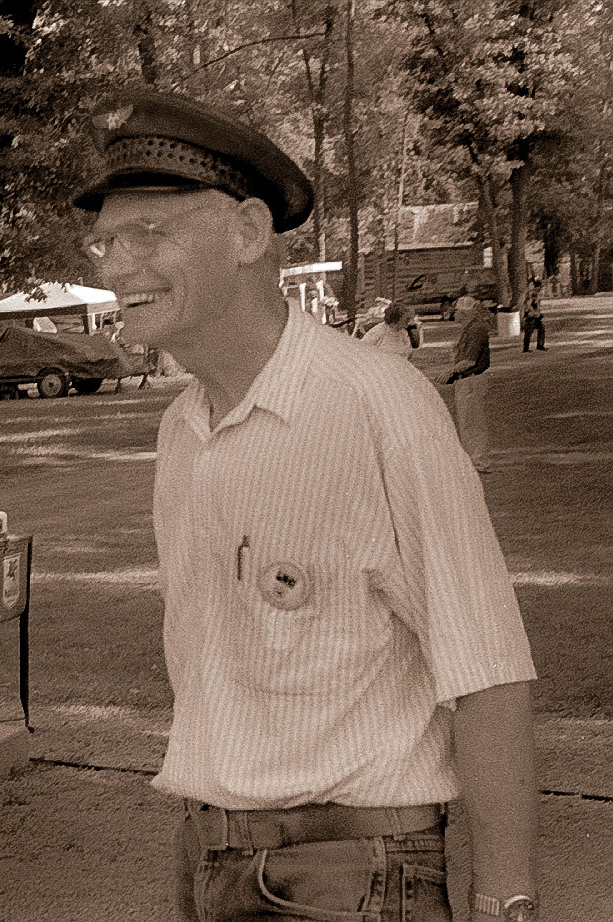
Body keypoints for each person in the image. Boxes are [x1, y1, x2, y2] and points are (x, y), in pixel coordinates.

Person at [75, 89, 537, 922]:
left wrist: (509, 899)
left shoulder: (377, 407)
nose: (114, 266)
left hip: (350, 872)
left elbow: (489, 671)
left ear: (249, 234)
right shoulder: (183, 429)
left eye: (148, 233)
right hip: (217, 850)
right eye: (105, 240)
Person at [444, 296, 494, 472]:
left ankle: (478, 461)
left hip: (471, 379)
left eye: (457, 310)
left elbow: (470, 361)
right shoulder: (471, 328)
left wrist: (450, 372)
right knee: (469, 421)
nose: (455, 313)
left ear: (466, 313)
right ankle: (475, 459)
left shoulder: (475, 330)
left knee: (471, 421)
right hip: (468, 380)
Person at [523, 278, 546, 352]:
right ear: (538, 287)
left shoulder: (536, 294)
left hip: (535, 316)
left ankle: (540, 345)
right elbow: (527, 304)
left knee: (541, 329)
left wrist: (538, 313)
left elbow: (536, 305)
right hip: (531, 316)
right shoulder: (533, 294)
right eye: (540, 287)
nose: (541, 289)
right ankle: (526, 348)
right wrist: (533, 312)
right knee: (528, 332)